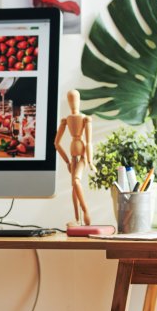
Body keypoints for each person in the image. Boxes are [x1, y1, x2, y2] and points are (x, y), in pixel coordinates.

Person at [53, 89, 92, 226]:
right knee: (73, 188)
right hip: (72, 157)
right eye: (70, 99)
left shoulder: (85, 119)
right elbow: (56, 143)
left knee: (76, 181)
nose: (73, 102)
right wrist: (67, 161)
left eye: (74, 99)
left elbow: (88, 142)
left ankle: (86, 211)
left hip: (82, 156)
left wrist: (90, 161)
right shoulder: (66, 120)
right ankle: (77, 219)